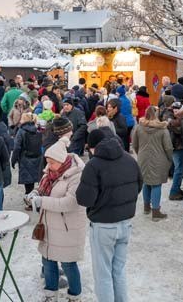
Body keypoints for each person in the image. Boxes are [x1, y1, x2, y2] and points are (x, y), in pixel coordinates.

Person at [76, 129, 142, 302]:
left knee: (103, 274)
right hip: (126, 223)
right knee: (118, 271)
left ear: (92, 147)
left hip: (103, 226)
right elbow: (138, 186)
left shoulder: (94, 165)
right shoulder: (129, 159)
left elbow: (84, 199)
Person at [25, 138, 87, 302]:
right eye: (47, 162)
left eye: (52, 162)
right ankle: (50, 294)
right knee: (48, 260)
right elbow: (43, 188)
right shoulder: (51, 173)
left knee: (68, 264)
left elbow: (70, 203)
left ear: (62, 161)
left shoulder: (76, 176)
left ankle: (74, 296)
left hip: (67, 229)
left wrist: (41, 201)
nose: (48, 166)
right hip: (49, 225)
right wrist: (36, 193)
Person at [132, 106, 173, 221]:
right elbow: (168, 147)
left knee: (145, 182)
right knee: (156, 184)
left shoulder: (139, 127)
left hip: (143, 158)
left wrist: (140, 153)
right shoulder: (163, 129)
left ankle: (146, 207)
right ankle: (156, 211)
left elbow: (134, 144)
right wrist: (169, 159)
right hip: (159, 159)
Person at [13, 112, 44, 204]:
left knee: (28, 183)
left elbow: (17, 147)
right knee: (36, 179)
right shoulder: (37, 129)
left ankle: (30, 202)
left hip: (25, 159)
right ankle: (36, 199)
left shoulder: (21, 131)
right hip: (37, 157)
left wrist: (13, 160)